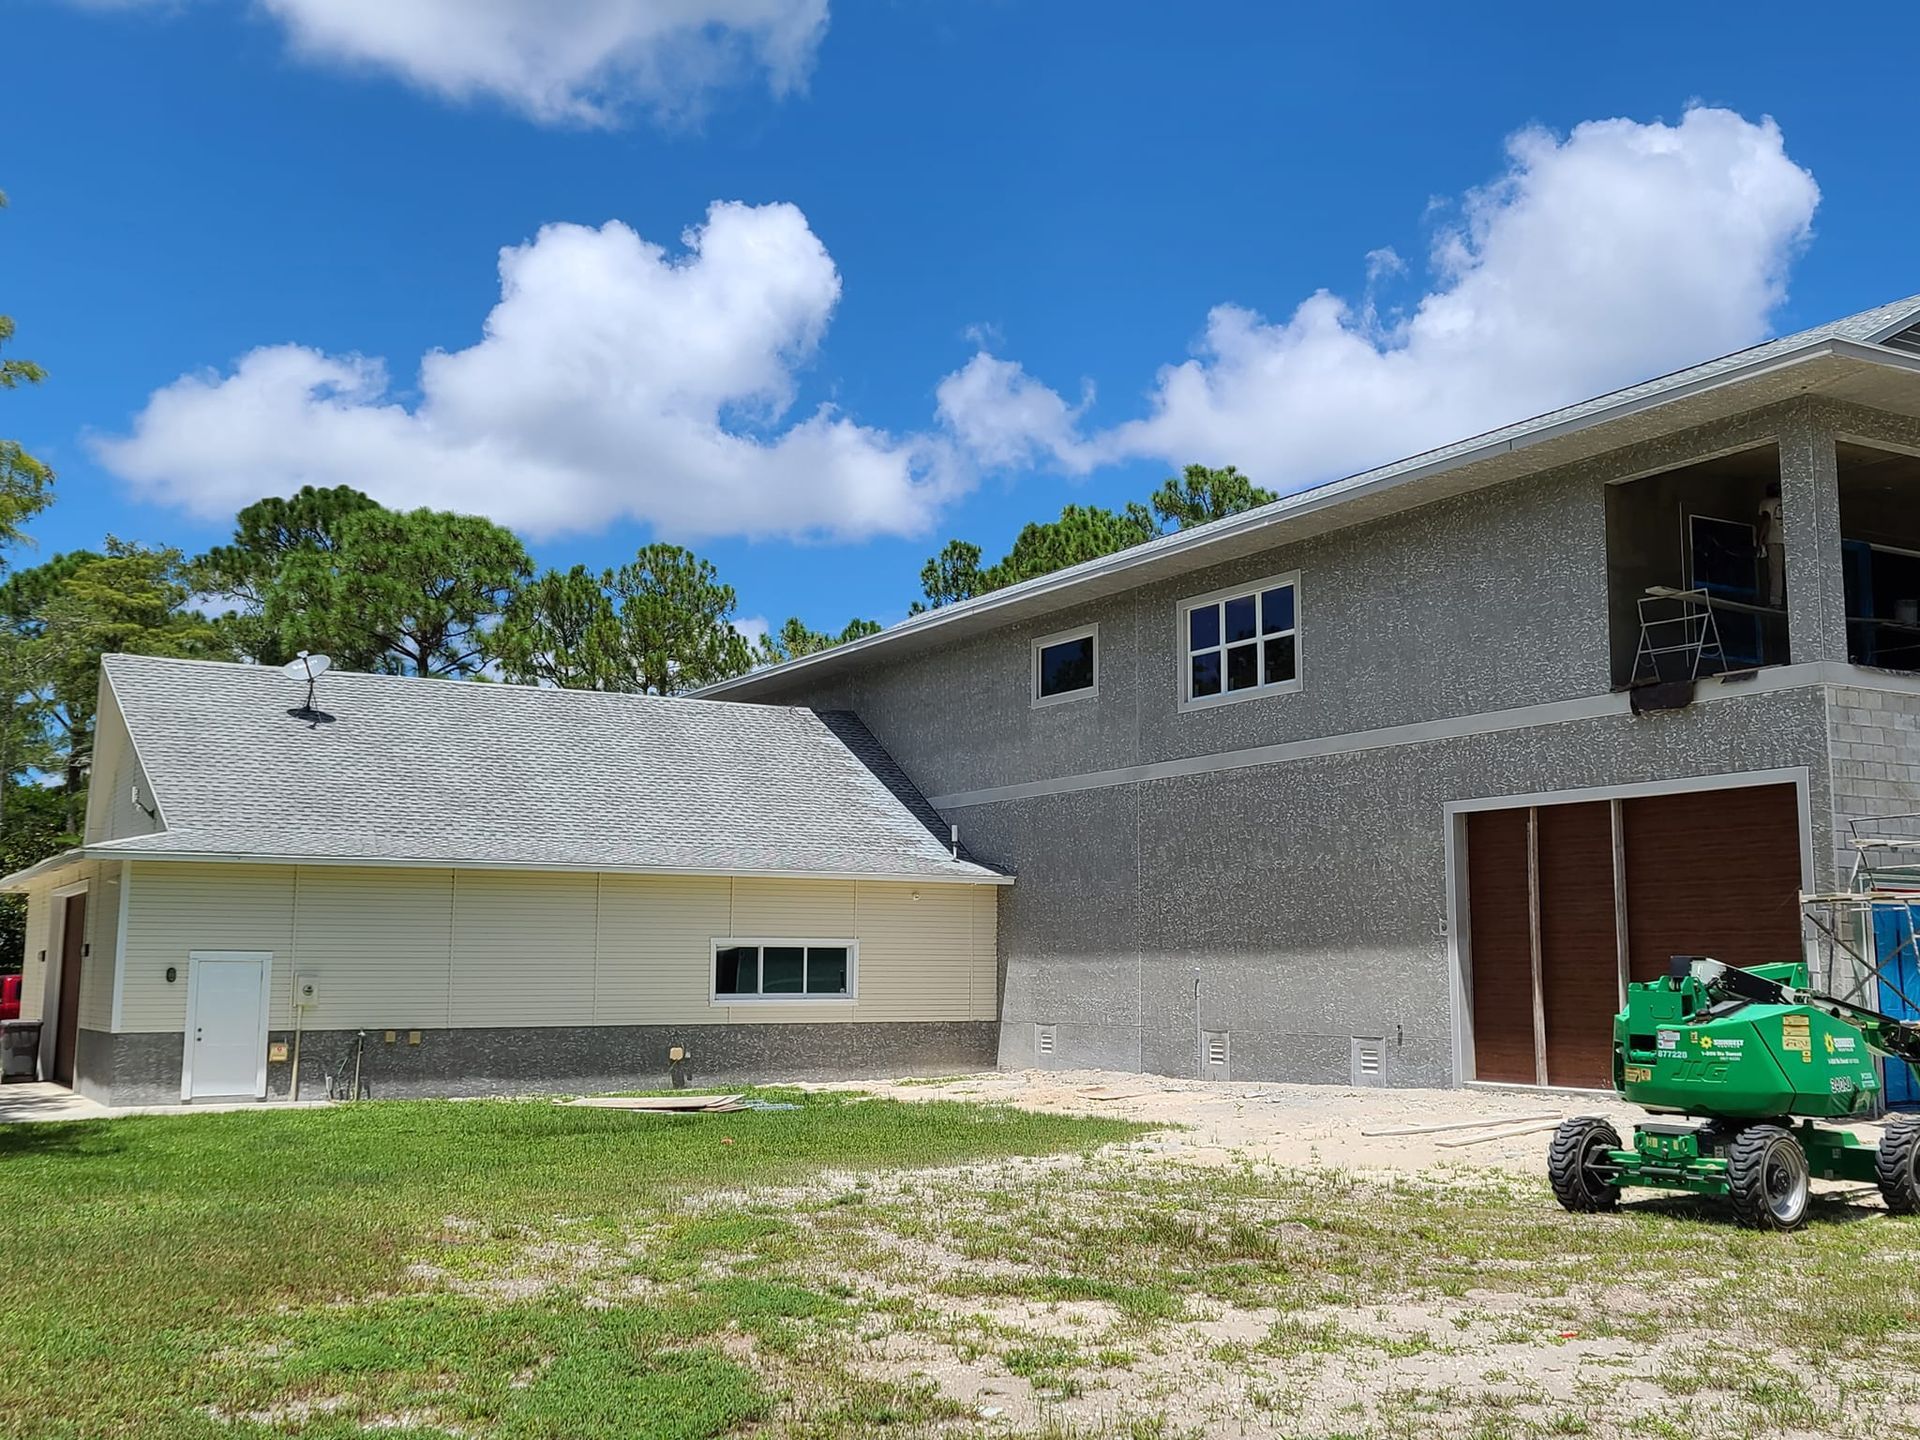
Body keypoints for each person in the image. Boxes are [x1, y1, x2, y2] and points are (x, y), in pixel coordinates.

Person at [1757, 481, 1785, 608]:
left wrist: (1760, 538)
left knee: (1775, 571)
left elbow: (1767, 519)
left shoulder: (1766, 503)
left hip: (1774, 539)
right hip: (1788, 540)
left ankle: (1776, 601)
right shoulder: (1784, 502)